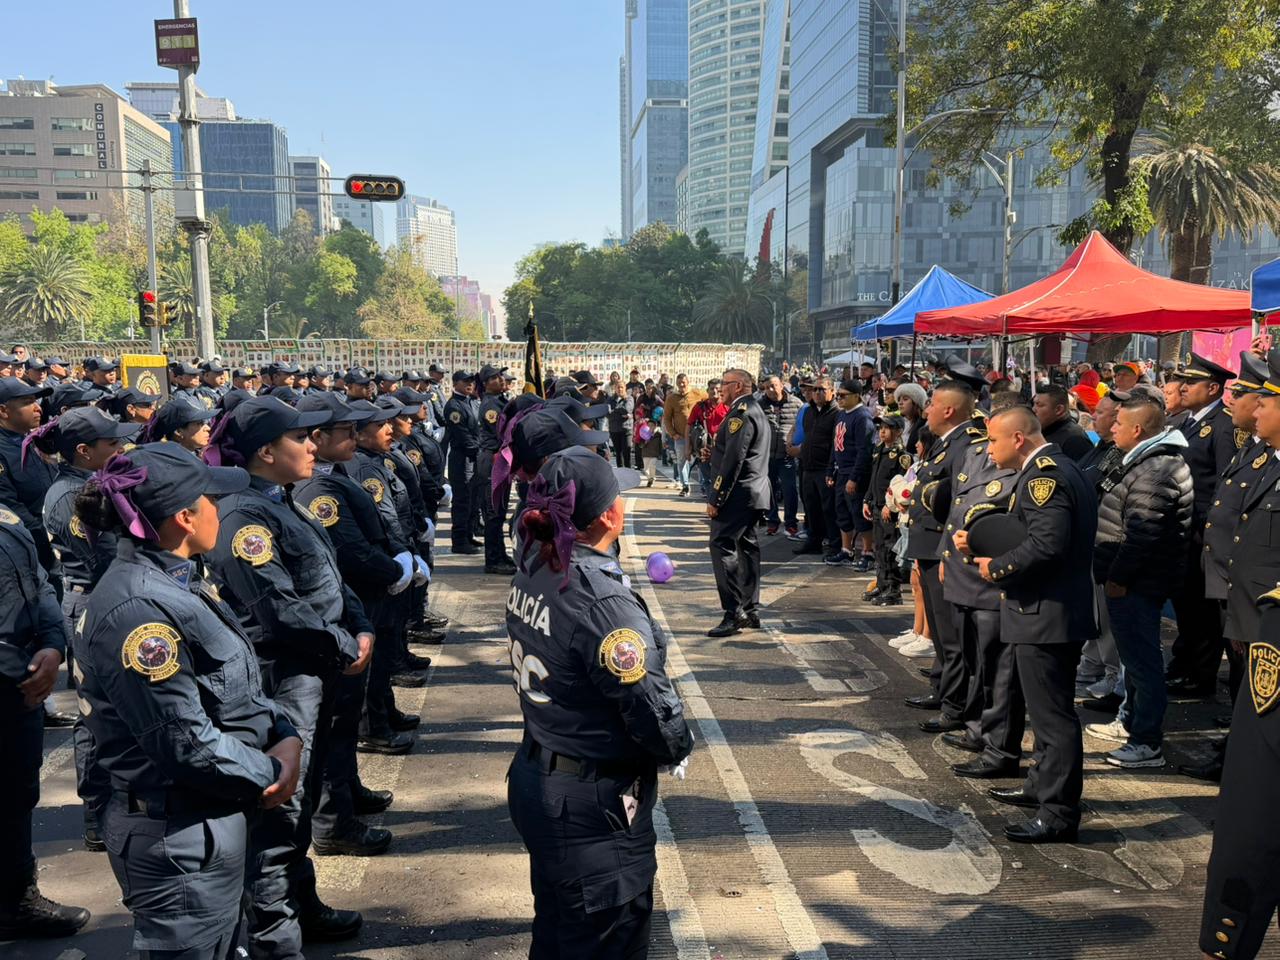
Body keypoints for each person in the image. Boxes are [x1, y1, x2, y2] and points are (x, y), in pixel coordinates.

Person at [74, 444, 303, 959]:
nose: (220, 509)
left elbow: (236, 693)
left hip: (209, 819)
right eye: (211, 499)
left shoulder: (176, 580)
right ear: (183, 517)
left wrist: (283, 731)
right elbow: (185, 742)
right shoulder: (140, 611)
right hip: (178, 838)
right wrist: (272, 767)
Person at [506, 446, 693, 959]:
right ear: (611, 514)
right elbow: (651, 706)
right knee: (606, 940)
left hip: (543, 771)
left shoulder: (536, 561)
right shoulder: (599, 596)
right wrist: (676, 745)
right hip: (590, 805)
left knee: (560, 932)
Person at [203, 396, 375, 954]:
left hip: (319, 667)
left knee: (304, 795)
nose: (310, 446)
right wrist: (345, 641)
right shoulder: (242, 517)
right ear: (264, 452)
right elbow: (278, 608)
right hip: (286, 676)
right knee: (283, 805)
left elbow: (329, 573)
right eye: (298, 439)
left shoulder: (281, 501)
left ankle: (301, 905)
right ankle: (275, 936)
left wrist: (361, 624)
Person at [956, 405, 1096, 844]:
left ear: (1018, 439)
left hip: (1045, 613)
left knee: (1052, 718)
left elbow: (1046, 545)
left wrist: (994, 567)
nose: (988, 450)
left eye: (994, 441)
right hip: (1047, 610)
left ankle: (1057, 812)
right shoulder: (1058, 468)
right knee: (1044, 712)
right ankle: (1041, 787)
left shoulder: (1043, 477)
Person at [293, 392, 404, 855]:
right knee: (333, 727)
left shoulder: (333, 476)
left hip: (352, 608)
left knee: (342, 724)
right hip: (332, 622)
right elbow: (347, 554)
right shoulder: (317, 489)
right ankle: (333, 822)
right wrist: (394, 571)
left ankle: (347, 794)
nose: (355, 437)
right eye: (347, 432)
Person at [1087, 394, 1192, 769]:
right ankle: (1132, 724)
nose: (1111, 428)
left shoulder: (1156, 468)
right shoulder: (1143, 460)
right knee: (1136, 659)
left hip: (1137, 582)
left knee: (1143, 662)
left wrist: (1118, 577)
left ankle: (1146, 741)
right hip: (1132, 579)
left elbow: (1142, 533)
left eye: (1117, 423)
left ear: (1136, 429)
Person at [0, 497, 89, 939]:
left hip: (21, 686)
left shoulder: (7, 516)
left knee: (16, 797)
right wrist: (22, 670)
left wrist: (54, 645)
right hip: (15, 678)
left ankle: (15, 901)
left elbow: (41, 583)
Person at [903, 378, 983, 720]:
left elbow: (960, 505)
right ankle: (942, 687)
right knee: (941, 630)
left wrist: (950, 553)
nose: (927, 409)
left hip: (942, 547)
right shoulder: (944, 441)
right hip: (928, 543)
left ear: (949, 410)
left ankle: (955, 704)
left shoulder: (965, 444)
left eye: (933, 403)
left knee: (952, 635)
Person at [1166, 352, 1240, 699]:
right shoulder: (1186, 422)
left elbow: (1227, 482)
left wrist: (1209, 527)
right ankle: (1185, 665)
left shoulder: (1224, 426)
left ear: (1213, 388)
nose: (1182, 388)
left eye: (1191, 382)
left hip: (1202, 528)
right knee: (1186, 603)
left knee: (1204, 608)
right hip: (1181, 527)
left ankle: (1202, 674)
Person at [704, 369, 771, 638]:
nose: (721, 388)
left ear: (739, 385)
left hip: (739, 493)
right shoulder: (753, 409)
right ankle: (749, 607)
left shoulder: (741, 412)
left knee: (722, 544)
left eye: (725, 383)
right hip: (752, 491)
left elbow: (735, 459)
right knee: (746, 545)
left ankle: (734, 612)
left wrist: (716, 496)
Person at [862, 414, 910, 605]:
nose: (882, 431)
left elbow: (900, 485)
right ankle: (882, 586)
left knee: (890, 549)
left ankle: (893, 590)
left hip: (889, 508)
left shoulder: (901, 455)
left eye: (887, 428)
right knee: (879, 548)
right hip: (876, 505)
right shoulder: (879, 451)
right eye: (880, 427)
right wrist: (867, 499)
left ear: (898, 432)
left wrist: (889, 506)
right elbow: (873, 478)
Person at [828, 378, 875, 568]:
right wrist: (830, 469)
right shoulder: (841, 415)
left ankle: (868, 552)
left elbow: (864, 450)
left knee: (858, 513)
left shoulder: (862, 416)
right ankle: (846, 550)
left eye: (843, 395)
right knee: (841, 511)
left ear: (856, 396)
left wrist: (854, 477)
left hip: (853, 472)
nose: (839, 398)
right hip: (840, 471)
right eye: (837, 395)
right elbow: (835, 445)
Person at [475, 364, 516, 574]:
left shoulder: (499, 401)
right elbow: (501, 433)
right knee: (492, 513)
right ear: (486, 383)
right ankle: (492, 560)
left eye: (501, 376)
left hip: (499, 459)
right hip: (491, 460)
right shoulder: (491, 405)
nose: (501, 380)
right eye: (495, 377)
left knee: (498, 512)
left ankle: (499, 553)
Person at [795, 377, 838, 556]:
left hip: (825, 468)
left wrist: (831, 469)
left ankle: (835, 545)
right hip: (808, 466)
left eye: (822, 389)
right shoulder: (809, 411)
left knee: (829, 509)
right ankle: (814, 541)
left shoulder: (836, 413)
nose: (817, 393)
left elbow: (835, 443)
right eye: (815, 390)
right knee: (811, 507)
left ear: (832, 392)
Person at [760, 375, 802, 536]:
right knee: (768, 490)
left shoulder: (796, 403)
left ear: (781, 385)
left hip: (787, 456)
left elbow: (803, 426)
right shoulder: (760, 405)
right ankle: (772, 521)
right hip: (767, 456)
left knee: (790, 489)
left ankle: (791, 522)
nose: (771, 390)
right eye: (767, 387)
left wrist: (797, 446)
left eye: (774, 385)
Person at [444, 370, 480, 554]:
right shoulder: (454, 406)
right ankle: (459, 541)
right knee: (462, 501)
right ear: (455, 383)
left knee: (471, 500)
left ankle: (467, 535)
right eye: (465, 381)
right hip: (462, 458)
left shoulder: (470, 402)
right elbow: (463, 436)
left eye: (471, 382)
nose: (470, 384)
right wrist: (480, 451)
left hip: (472, 457)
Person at [661, 373, 703, 496]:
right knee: (681, 461)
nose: (682, 385)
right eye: (679, 383)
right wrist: (673, 434)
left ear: (688, 382)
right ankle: (685, 486)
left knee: (701, 459)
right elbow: (667, 419)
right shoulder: (671, 398)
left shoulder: (698, 394)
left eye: (684, 382)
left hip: (697, 435)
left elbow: (710, 402)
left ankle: (704, 486)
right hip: (680, 436)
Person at [1032, 384, 1094, 461]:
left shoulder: (1075, 441)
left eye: (1039, 405)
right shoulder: (1044, 429)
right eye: (1033, 404)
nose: (1034, 409)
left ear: (1058, 410)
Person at [138, 395, 216, 455]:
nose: (208, 428)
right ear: (179, 432)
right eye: (199, 424)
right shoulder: (173, 467)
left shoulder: (197, 456)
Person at [606, 379, 635, 468]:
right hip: (614, 429)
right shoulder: (610, 399)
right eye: (618, 387)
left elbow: (627, 409)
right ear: (615, 388)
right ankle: (621, 476)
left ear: (625, 388)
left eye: (622, 387)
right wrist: (620, 412)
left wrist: (614, 411)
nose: (620, 389)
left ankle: (628, 475)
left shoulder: (629, 398)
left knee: (626, 453)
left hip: (626, 430)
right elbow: (607, 413)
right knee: (618, 453)